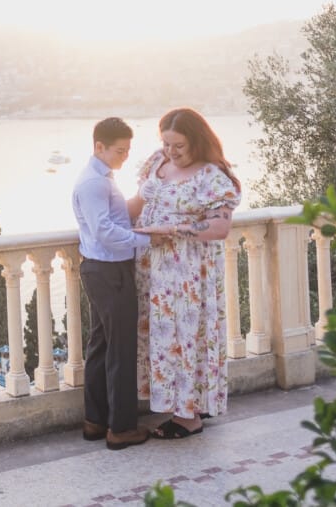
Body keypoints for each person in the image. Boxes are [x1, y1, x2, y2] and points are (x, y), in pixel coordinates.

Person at [130, 107, 241, 440]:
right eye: (166, 144)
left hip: (190, 272)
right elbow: (136, 207)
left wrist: (174, 229)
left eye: (178, 146)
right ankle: (177, 405)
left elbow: (220, 226)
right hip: (153, 270)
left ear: (197, 141)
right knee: (162, 338)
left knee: (187, 337)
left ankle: (190, 415)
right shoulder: (156, 163)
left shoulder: (212, 175)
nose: (171, 152)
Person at [72, 117, 151, 450]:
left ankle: (95, 421)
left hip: (102, 270)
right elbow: (104, 231)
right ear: (99, 147)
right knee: (120, 349)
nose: (125, 156)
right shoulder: (93, 183)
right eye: (120, 150)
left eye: (128, 150)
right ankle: (120, 428)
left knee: (102, 346)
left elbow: (114, 219)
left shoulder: (102, 179)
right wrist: (146, 241)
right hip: (109, 271)